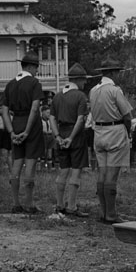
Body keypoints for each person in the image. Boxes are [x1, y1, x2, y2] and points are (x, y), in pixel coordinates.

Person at [88, 58, 133, 224]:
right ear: (113, 73)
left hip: (99, 132)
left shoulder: (93, 91)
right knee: (112, 176)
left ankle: (103, 211)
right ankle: (111, 214)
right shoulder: (115, 91)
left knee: (102, 173)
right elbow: (127, 115)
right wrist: (128, 133)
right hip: (114, 131)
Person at [0, 51, 45, 214]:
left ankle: (16, 203)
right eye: (36, 67)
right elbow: (34, 108)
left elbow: (4, 110)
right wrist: (27, 130)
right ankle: (29, 203)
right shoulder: (34, 83)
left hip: (15, 122)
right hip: (30, 124)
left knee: (17, 162)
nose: (37, 71)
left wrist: (11, 131)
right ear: (31, 67)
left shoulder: (10, 84)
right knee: (30, 163)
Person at [51, 64, 90, 217]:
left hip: (61, 132)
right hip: (76, 135)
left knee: (63, 171)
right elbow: (81, 119)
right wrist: (71, 138)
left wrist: (57, 136)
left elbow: (52, 117)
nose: (85, 83)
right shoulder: (80, 96)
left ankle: (60, 204)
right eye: (84, 80)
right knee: (75, 172)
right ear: (79, 80)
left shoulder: (57, 95)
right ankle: (71, 206)